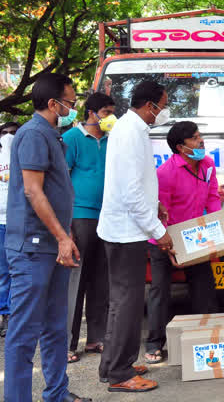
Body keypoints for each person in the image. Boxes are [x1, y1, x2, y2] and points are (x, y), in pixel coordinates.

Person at [4, 73, 91, 402]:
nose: (73, 106)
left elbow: (56, 194)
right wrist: (61, 237)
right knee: (24, 333)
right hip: (33, 249)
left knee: (57, 327)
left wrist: (65, 234)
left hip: (53, 246)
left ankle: (56, 393)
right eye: (70, 101)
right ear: (53, 103)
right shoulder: (33, 134)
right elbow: (32, 190)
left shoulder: (53, 136)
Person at [98, 80, 174, 393]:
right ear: (150, 105)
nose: (164, 111)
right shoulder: (129, 132)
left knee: (122, 302)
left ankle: (115, 364)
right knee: (127, 304)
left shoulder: (133, 129)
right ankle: (119, 373)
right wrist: (159, 232)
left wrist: (154, 202)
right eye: (163, 104)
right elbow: (130, 192)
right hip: (126, 231)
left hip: (127, 228)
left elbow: (134, 182)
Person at [145, 121, 221, 364]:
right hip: (165, 238)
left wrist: (216, 232)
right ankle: (154, 343)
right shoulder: (165, 173)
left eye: (201, 136)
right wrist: (166, 245)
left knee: (204, 287)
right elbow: (160, 213)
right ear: (180, 147)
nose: (201, 141)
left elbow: (213, 197)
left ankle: (205, 336)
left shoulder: (207, 165)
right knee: (160, 291)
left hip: (195, 237)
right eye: (195, 138)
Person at [63, 92, 115, 364]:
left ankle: (96, 338)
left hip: (107, 217)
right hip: (80, 216)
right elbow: (61, 180)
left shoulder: (112, 140)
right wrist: (66, 226)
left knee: (101, 279)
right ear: (92, 113)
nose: (110, 119)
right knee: (76, 280)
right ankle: (68, 344)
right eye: (107, 113)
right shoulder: (72, 139)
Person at [0, 127, 14, 338]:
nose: (9, 136)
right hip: (1, 222)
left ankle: (13, 314)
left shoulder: (22, 154)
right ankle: (5, 314)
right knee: (3, 272)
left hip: (19, 221)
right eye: (5, 132)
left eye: (13, 132)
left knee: (17, 272)